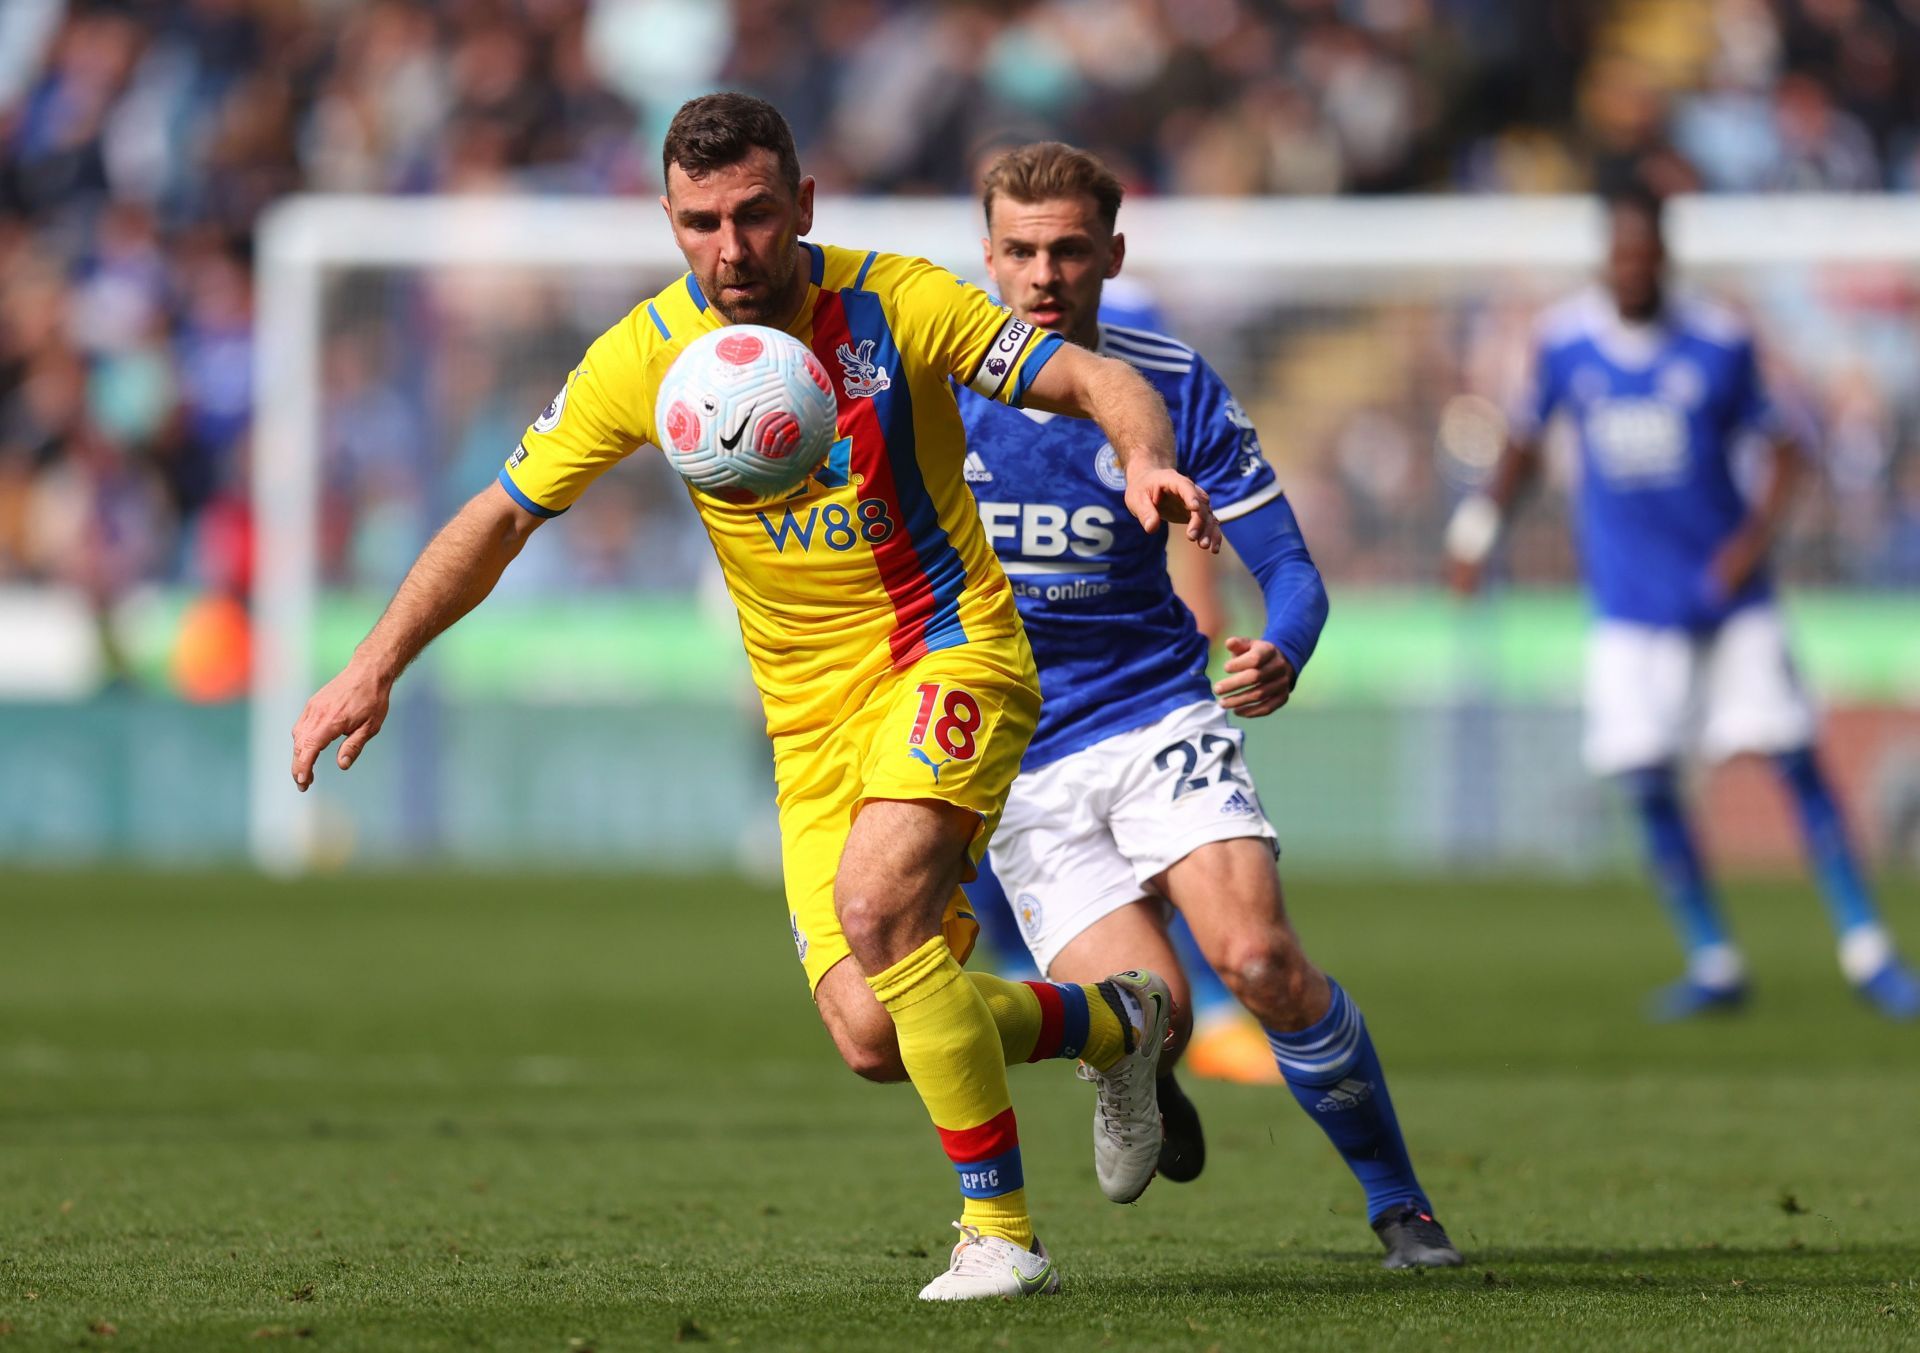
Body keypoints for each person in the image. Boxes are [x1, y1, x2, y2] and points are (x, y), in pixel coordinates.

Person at [288, 94, 1227, 1301]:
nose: (730, 251)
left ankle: (1000, 1235)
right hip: (809, 723)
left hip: (953, 656)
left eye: (754, 216)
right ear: (668, 220)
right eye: (699, 223)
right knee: (877, 1034)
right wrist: (370, 667)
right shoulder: (643, 355)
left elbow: (1096, 380)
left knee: (880, 910)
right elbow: (500, 516)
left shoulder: (900, 304)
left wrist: (1146, 457)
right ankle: (1121, 1025)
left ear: (805, 207)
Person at [955, 140, 1462, 1270]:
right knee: (1156, 1011)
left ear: (1111, 254)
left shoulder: (1170, 381)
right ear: (986, 257)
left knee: (1262, 962)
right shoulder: (933, 387)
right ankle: (1145, 1063)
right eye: (1023, 252)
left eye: (1071, 250)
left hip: (1153, 715)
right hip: (1016, 759)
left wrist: (1280, 650)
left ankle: (1399, 1205)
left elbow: (1293, 571)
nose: (1045, 275)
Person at [1447, 186, 1920, 1022]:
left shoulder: (1718, 340)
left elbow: (1787, 448)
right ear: (1605, 262)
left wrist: (1751, 544)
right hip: (1631, 608)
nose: (1631, 270)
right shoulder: (1566, 341)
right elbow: (1523, 441)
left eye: (1644, 256)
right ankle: (1713, 956)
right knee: (1645, 775)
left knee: (1795, 759)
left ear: (1664, 259)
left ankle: (1867, 949)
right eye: (1619, 257)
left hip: (1730, 600)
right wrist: (1481, 530)